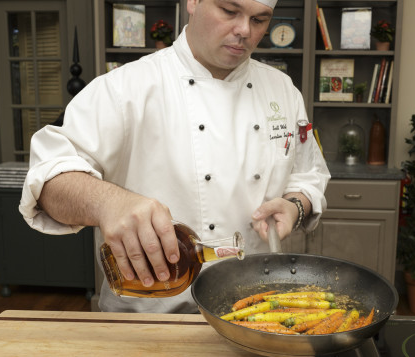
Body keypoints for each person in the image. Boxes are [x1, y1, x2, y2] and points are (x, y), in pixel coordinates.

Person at [19, 0, 330, 313]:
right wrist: (107, 203)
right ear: (192, 2)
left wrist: (295, 207)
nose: (244, 31)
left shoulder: (282, 90)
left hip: (256, 314)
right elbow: (47, 181)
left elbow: (309, 175)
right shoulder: (125, 88)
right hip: (149, 321)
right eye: (229, 11)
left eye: (260, 19)